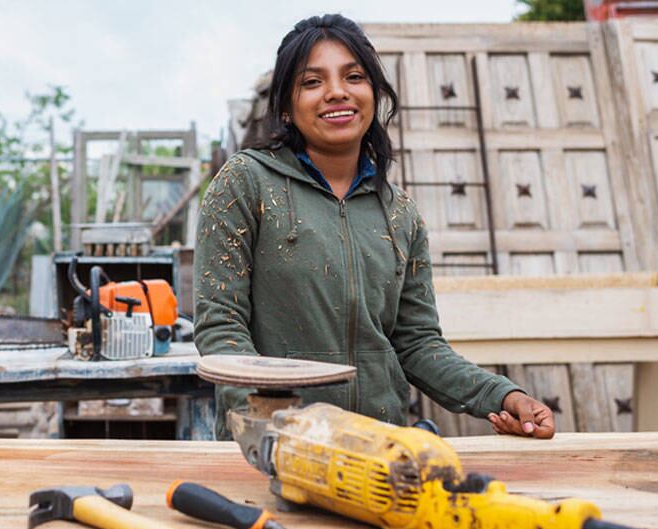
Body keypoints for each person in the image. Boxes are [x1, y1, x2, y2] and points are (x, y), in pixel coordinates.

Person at [194, 14, 555, 440]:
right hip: (274, 447)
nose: (336, 92)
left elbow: (417, 344)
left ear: (374, 92)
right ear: (286, 108)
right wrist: (265, 422)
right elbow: (221, 327)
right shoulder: (244, 183)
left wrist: (503, 396)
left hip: (378, 451)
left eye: (354, 76)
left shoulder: (401, 215)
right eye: (312, 82)